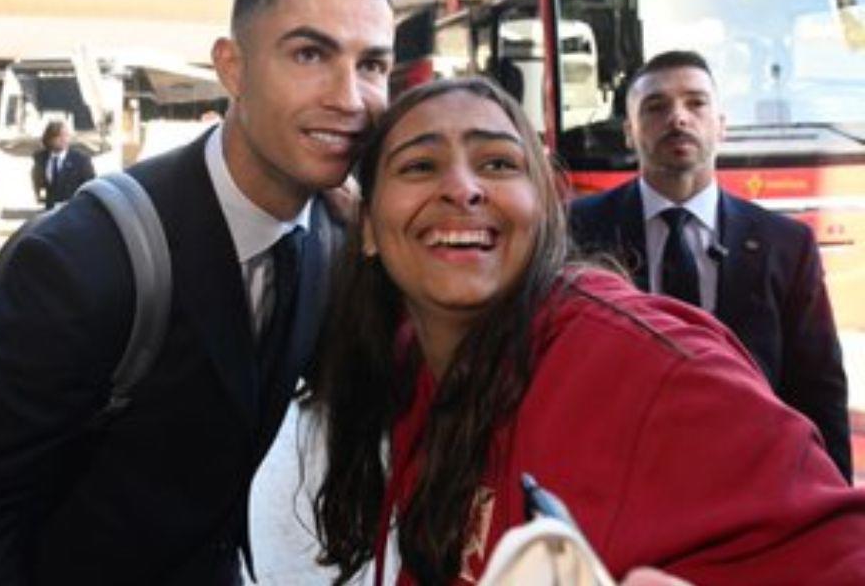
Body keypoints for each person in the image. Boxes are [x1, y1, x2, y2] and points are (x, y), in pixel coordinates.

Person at [0, 0, 394, 585]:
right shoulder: (82, 260)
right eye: (310, 54)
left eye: (372, 64)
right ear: (233, 67)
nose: (350, 97)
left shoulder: (332, 236)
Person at [310, 77, 865, 586]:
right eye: (419, 166)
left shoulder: (651, 368)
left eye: (498, 163)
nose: (463, 188)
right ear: (368, 229)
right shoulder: (408, 362)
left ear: (547, 209)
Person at [568, 50, 851, 481]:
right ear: (629, 132)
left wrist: (835, 503)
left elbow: (818, 388)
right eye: (656, 107)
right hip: (620, 476)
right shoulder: (576, 230)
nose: (678, 118)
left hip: (751, 478)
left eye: (696, 103)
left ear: (721, 124)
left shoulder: (786, 244)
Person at [30, 120, 96, 210]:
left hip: (73, 209)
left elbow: (90, 185)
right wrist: (42, 197)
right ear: (49, 139)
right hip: (50, 209)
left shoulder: (80, 160)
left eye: (66, 135)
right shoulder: (41, 158)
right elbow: (39, 181)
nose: (63, 139)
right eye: (59, 136)